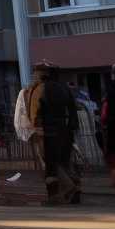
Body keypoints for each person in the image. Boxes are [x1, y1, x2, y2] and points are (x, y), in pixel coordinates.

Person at [33, 62, 79, 205]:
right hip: (66, 130)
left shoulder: (41, 89)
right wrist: (72, 127)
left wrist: (35, 130)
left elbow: (36, 112)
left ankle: (57, 195)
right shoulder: (65, 88)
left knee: (51, 165)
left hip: (49, 131)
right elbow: (73, 110)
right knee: (65, 162)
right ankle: (75, 190)